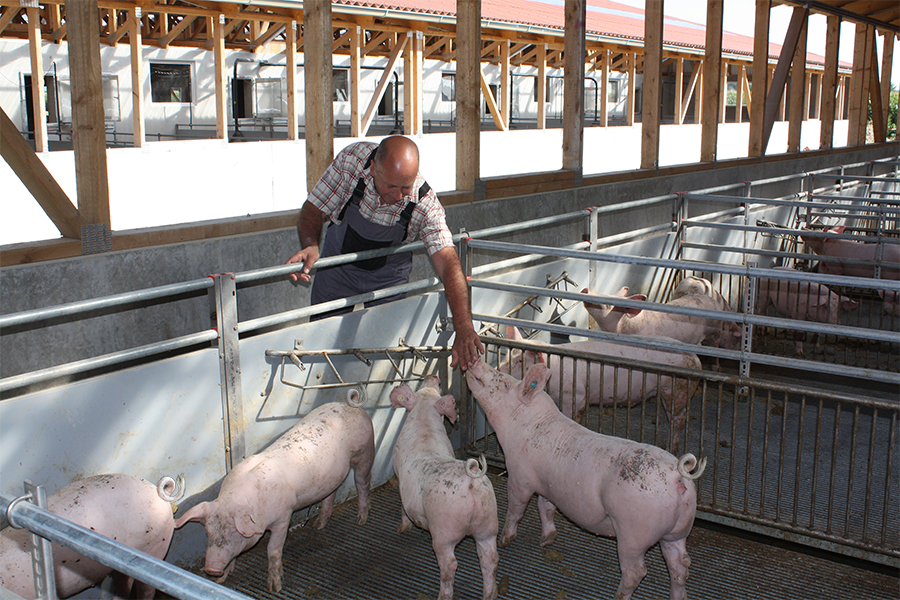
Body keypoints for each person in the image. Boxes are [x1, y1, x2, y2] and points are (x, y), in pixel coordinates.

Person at [285, 135, 484, 371]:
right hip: (338, 269)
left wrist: (464, 327)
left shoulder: (424, 202)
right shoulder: (351, 162)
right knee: (322, 339)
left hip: (387, 278)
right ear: (373, 169)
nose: (398, 196)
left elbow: (448, 263)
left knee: (385, 349)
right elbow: (313, 208)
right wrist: (311, 245)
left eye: (405, 188)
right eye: (390, 186)